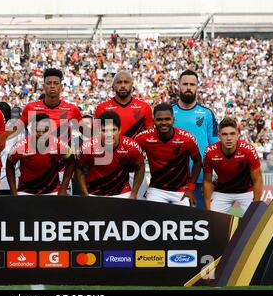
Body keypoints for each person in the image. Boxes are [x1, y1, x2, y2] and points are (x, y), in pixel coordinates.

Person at [95, 70, 153, 199]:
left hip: (135, 169)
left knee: (138, 210)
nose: (122, 85)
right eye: (119, 82)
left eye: (126, 82)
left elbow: (150, 138)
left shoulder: (144, 108)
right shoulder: (102, 108)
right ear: (113, 85)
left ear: (132, 84)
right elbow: (98, 139)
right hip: (110, 170)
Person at [135, 103, 202, 207]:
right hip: (157, 189)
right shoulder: (143, 138)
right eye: (159, 119)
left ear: (173, 120)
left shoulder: (187, 139)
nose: (163, 123)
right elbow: (131, 157)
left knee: (186, 219)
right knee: (152, 217)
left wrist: (191, 188)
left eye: (167, 119)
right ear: (153, 121)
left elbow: (198, 161)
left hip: (182, 190)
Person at [172, 69, 219, 209]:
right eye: (185, 84)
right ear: (179, 86)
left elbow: (214, 147)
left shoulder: (207, 113)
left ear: (197, 87)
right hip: (174, 181)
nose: (188, 87)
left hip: (201, 180)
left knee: (202, 225)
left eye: (192, 84)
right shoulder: (168, 112)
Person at [76, 111, 145, 198]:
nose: (109, 134)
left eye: (113, 130)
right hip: (94, 193)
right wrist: (85, 194)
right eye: (104, 130)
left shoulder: (132, 146)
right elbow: (79, 169)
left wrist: (134, 193)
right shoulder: (87, 147)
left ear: (120, 130)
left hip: (123, 192)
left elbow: (140, 167)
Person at [203, 117, 263, 216]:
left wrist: (255, 206)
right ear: (219, 136)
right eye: (225, 134)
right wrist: (208, 209)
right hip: (222, 192)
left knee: (255, 223)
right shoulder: (210, 152)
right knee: (213, 221)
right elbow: (207, 181)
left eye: (232, 134)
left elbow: (257, 179)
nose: (229, 138)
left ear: (237, 136)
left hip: (246, 192)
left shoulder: (248, 150)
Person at [6, 113, 75, 196]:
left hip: (52, 192)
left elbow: (71, 161)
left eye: (45, 130)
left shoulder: (60, 145)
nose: (41, 134)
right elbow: (9, 165)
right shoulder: (20, 146)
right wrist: (14, 192)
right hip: (25, 192)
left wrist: (63, 188)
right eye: (37, 130)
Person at [19, 68, 82, 141]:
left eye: (56, 83)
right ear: (43, 86)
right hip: (38, 151)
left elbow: (88, 133)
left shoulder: (72, 109)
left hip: (63, 151)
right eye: (49, 83)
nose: (52, 86)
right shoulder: (30, 107)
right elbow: (16, 131)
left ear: (61, 87)